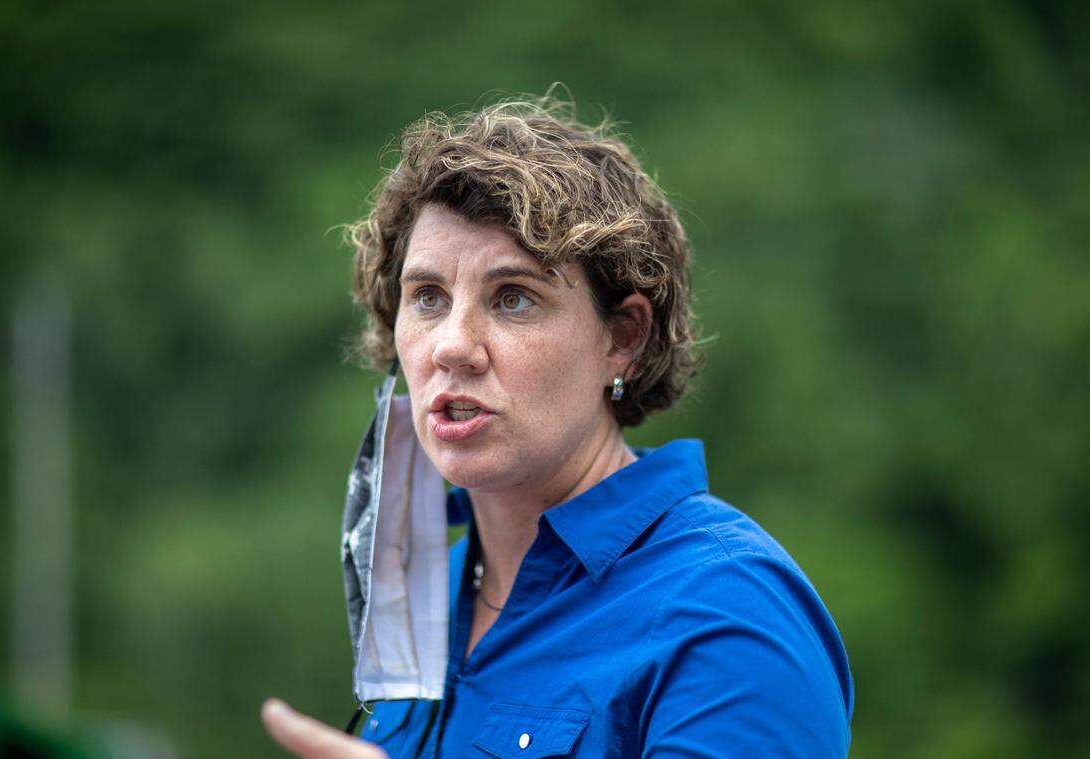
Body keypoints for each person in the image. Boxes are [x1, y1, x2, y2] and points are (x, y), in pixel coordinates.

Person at [261, 96, 854, 758]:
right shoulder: (420, 591)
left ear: (623, 339)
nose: (452, 346)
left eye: (513, 297)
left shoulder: (729, 615)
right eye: (427, 297)